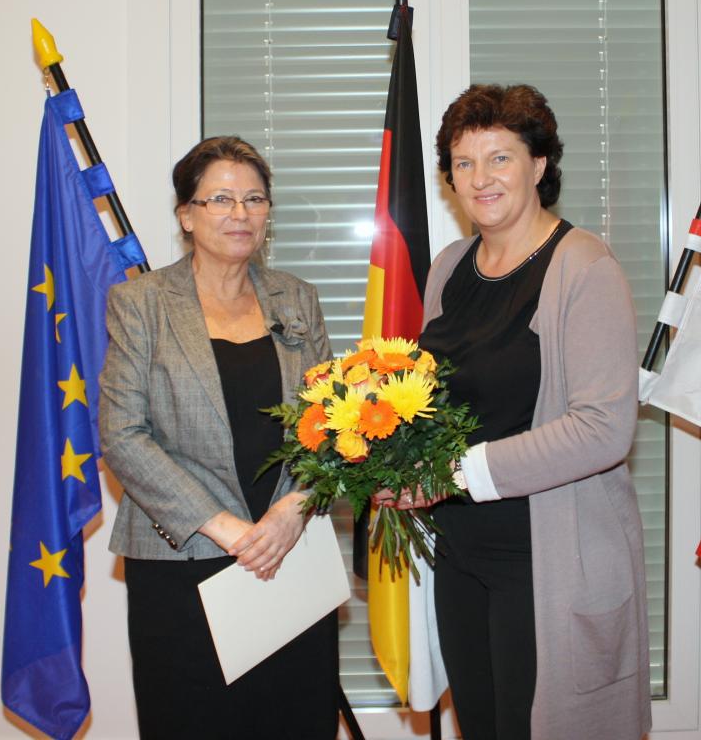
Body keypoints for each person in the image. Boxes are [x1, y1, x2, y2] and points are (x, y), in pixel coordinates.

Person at [391, 85, 651, 740]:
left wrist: (454, 472)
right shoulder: (449, 268)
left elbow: (603, 430)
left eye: (500, 158)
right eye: (464, 162)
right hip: (459, 554)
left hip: (546, 559)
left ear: (539, 166)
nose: (481, 178)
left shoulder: (584, 267)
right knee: (479, 727)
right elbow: (432, 398)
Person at [98, 136, 339, 739]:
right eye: (222, 199)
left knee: (296, 721)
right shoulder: (141, 304)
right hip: (182, 564)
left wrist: (292, 509)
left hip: (288, 555)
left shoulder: (298, 299)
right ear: (186, 215)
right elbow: (123, 435)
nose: (241, 213)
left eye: (254, 198)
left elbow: (335, 424)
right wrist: (225, 528)